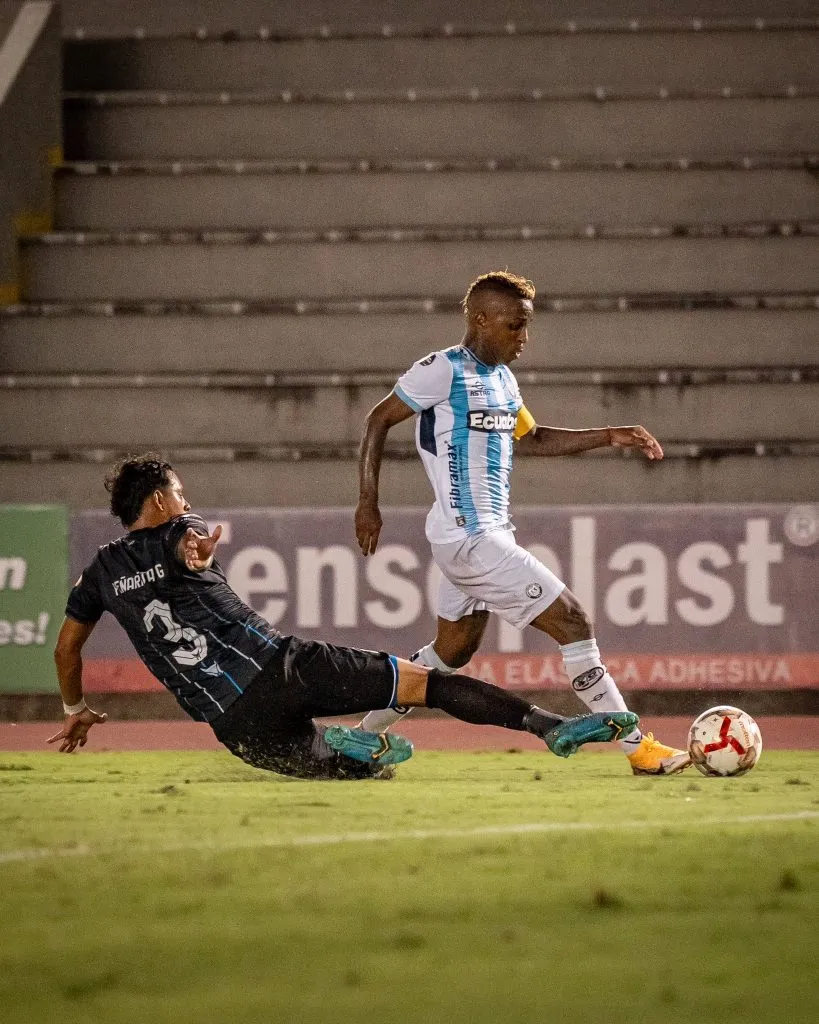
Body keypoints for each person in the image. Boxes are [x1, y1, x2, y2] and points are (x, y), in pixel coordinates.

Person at [48, 454, 638, 779]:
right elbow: (188, 542)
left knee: (371, 773)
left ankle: (351, 749)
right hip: (284, 669)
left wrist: (75, 710)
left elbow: (66, 650)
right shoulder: (182, 531)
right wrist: (193, 550)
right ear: (159, 503)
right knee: (424, 683)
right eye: (180, 494)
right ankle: (548, 727)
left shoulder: (99, 572)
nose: (188, 504)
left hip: (237, 731)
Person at [354, 270, 690, 775]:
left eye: (526, 327)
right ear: (480, 319)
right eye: (514, 326)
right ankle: (639, 749)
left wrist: (608, 436)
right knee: (574, 621)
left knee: (452, 653)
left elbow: (532, 439)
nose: (523, 339)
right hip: (470, 537)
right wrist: (367, 503)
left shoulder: (504, 381)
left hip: (482, 535)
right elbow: (377, 419)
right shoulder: (441, 371)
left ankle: (362, 737)